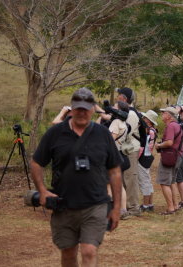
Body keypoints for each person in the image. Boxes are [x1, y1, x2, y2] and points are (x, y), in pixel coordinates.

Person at [30, 87, 123, 267]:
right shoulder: (55, 133)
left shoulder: (103, 134)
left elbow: (115, 171)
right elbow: (36, 163)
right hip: (64, 205)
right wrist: (42, 191)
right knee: (68, 253)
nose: (82, 112)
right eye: (78, 108)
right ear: (71, 109)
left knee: (89, 251)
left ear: (93, 109)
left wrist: (116, 207)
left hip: (95, 204)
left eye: (86, 109)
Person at [116, 87, 142, 217]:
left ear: (124, 98)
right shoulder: (126, 112)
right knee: (123, 178)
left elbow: (125, 133)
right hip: (125, 149)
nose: (117, 97)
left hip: (130, 149)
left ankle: (134, 208)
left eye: (119, 95)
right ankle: (125, 206)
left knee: (130, 178)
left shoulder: (131, 114)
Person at [155, 107, 183, 215]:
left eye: (163, 113)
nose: (162, 115)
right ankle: (175, 205)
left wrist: (159, 145)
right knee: (172, 182)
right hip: (178, 156)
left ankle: (171, 208)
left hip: (170, 157)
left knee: (164, 182)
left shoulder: (171, 126)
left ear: (169, 115)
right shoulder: (178, 126)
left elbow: (169, 142)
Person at [107, 101, 130, 219]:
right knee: (119, 184)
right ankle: (123, 210)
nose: (112, 109)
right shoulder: (124, 122)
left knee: (108, 184)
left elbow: (111, 139)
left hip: (111, 155)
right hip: (119, 153)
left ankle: (110, 211)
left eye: (115, 107)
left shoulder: (116, 122)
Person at [138, 110, 158, 212]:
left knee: (144, 182)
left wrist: (136, 157)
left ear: (148, 121)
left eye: (145, 118)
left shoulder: (148, 132)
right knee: (148, 181)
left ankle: (145, 205)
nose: (143, 120)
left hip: (143, 158)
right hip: (148, 157)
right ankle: (150, 204)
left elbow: (143, 146)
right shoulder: (154, 130)